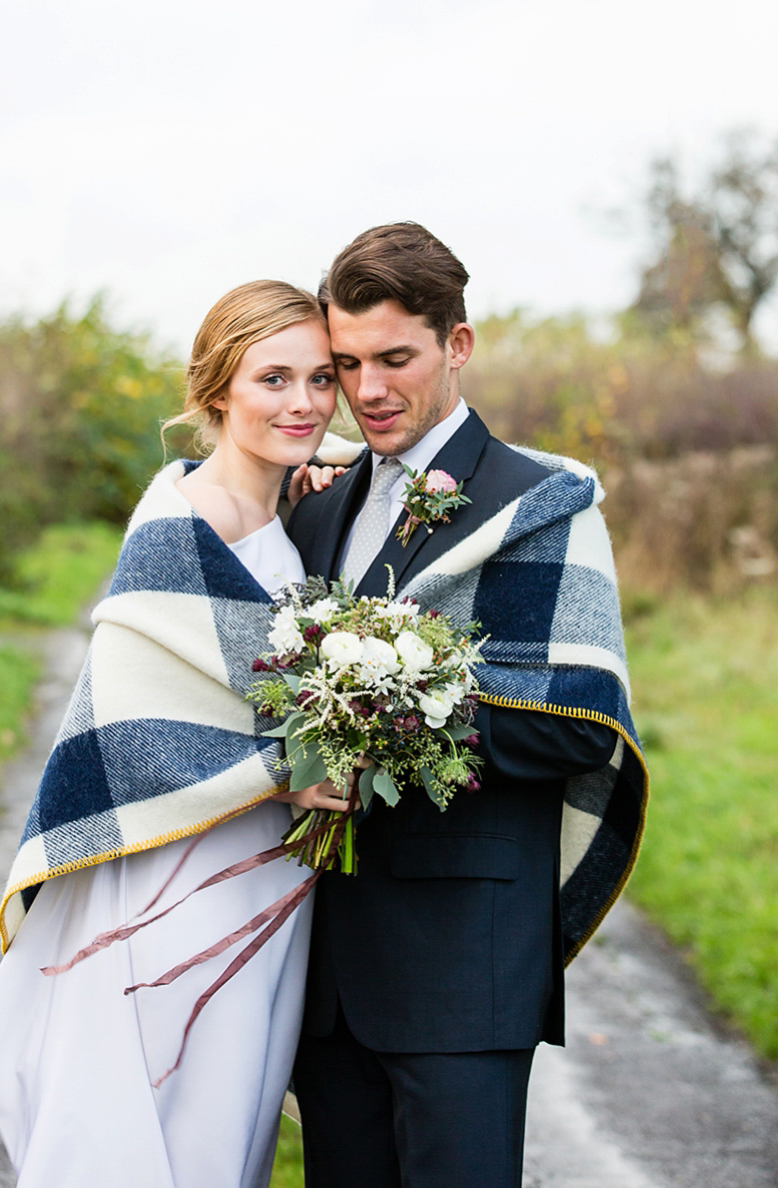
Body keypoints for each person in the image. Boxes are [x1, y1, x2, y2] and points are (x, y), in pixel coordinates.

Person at [0, 279, 353, 1188]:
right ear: (219, 389)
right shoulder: (185, 519)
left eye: (321, 377)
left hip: (267, 865)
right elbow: (134, 722)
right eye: (273, 379)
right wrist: (285, 769)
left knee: (238, 1110)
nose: (303, 402)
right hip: (184, 862)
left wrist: (320, 465)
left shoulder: (276, 506)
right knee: (180, 1095)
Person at [287, 223, 648, 1188]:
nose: (368, 391)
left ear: (458, 344)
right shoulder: (316, 503)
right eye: (347, 364)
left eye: (396, 358)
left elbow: (572, 720)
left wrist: (383, 722)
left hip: (461, 966)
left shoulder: (541, 498)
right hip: (323, 975)